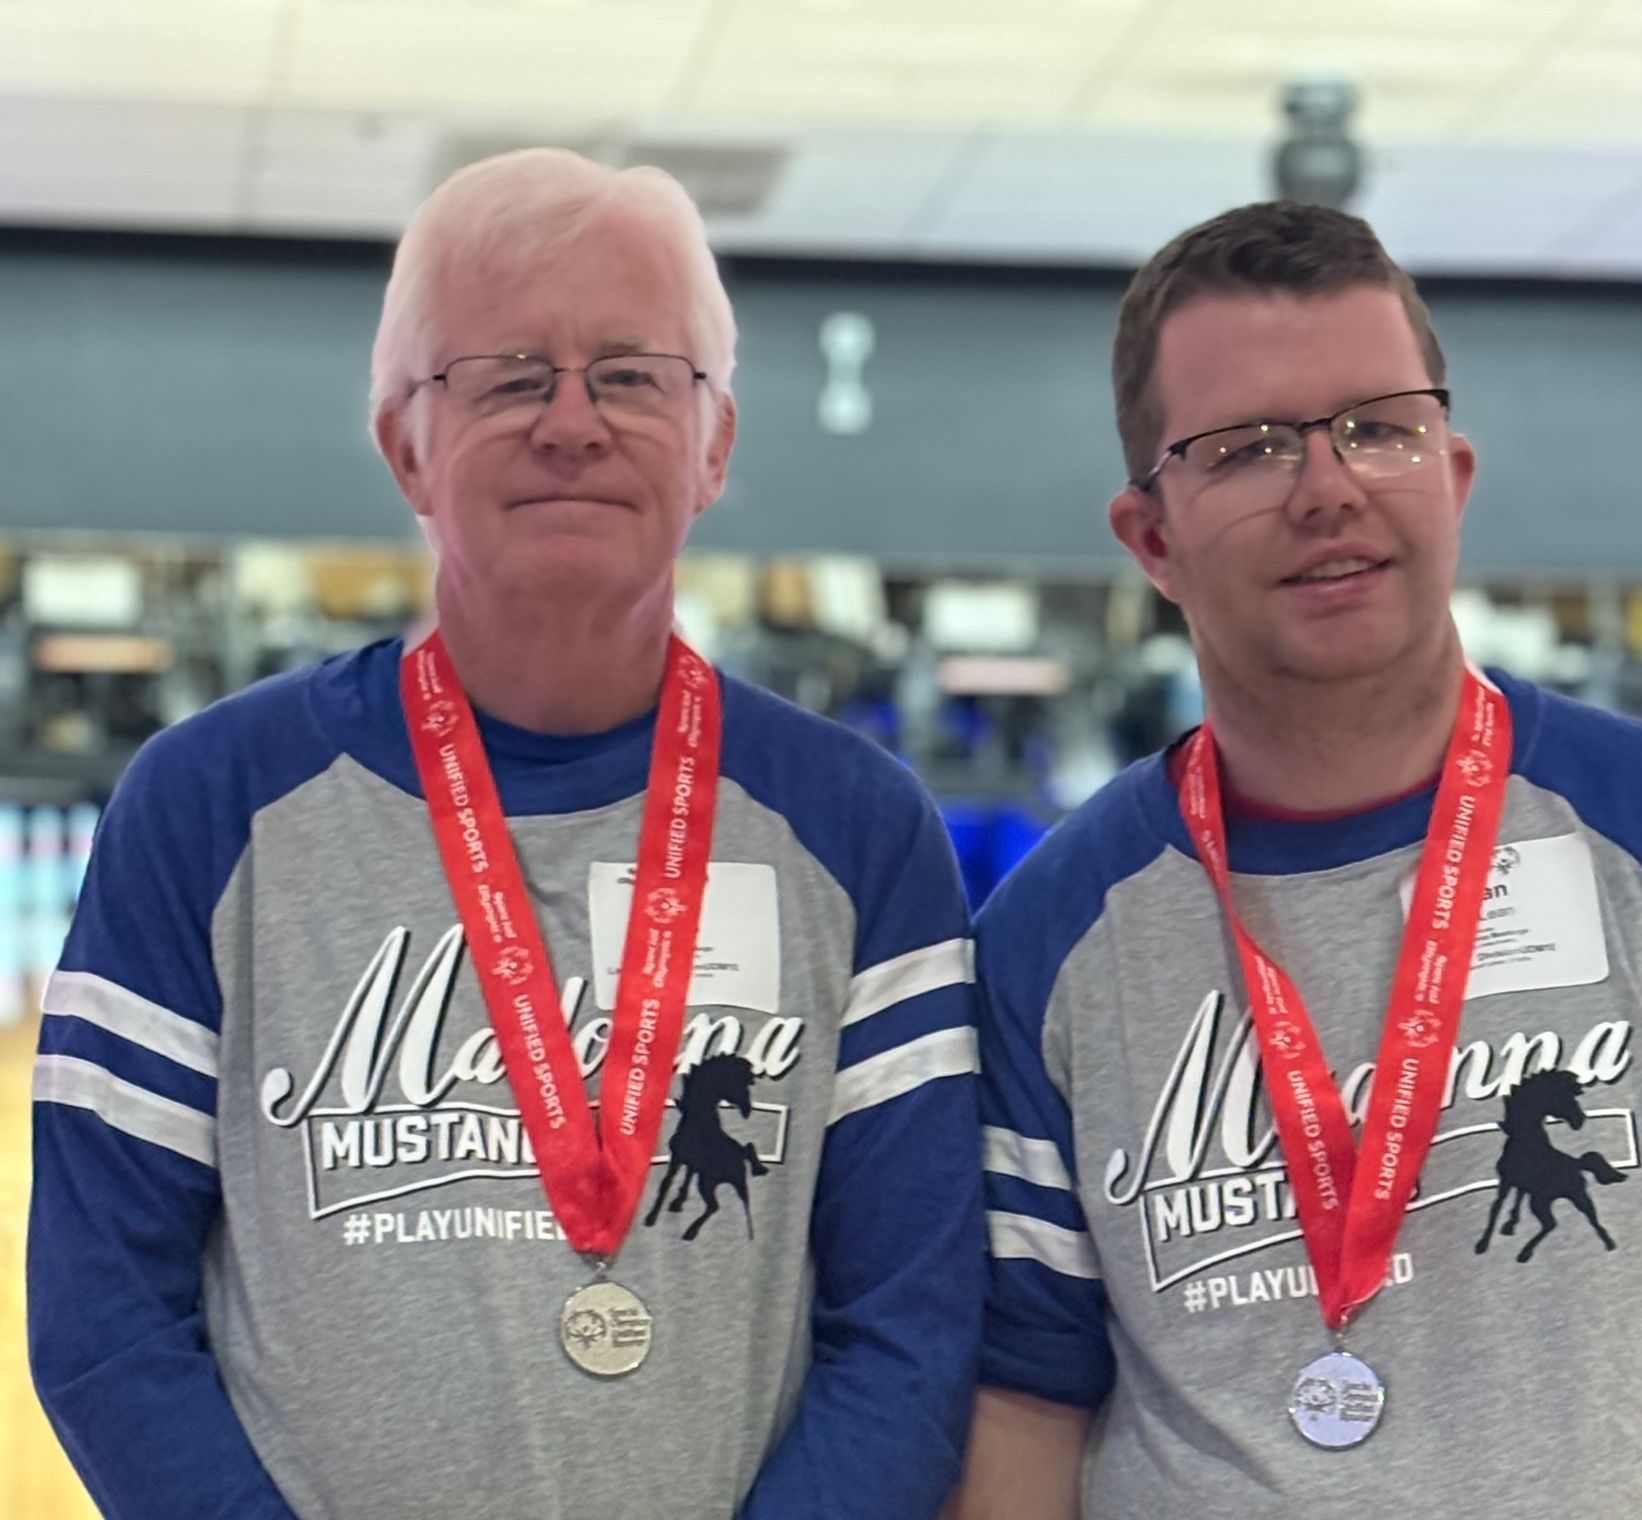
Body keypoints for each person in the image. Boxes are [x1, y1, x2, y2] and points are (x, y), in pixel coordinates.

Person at [28, 148, 981, 1520]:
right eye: (510, 375)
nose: (573, 422)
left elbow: (912, 1328)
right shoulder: (204, 805)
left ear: (715, 441)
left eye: (635, 374)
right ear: (404, 441)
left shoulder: (855, 828)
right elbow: (103, 1317)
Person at [951, 201, 1642, 1519]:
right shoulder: (1050, 937)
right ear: (1153, 539)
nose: (1328, 486)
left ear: (1452, 473)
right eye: (1245, 449)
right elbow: (1026, 1396)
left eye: (1376, 427)